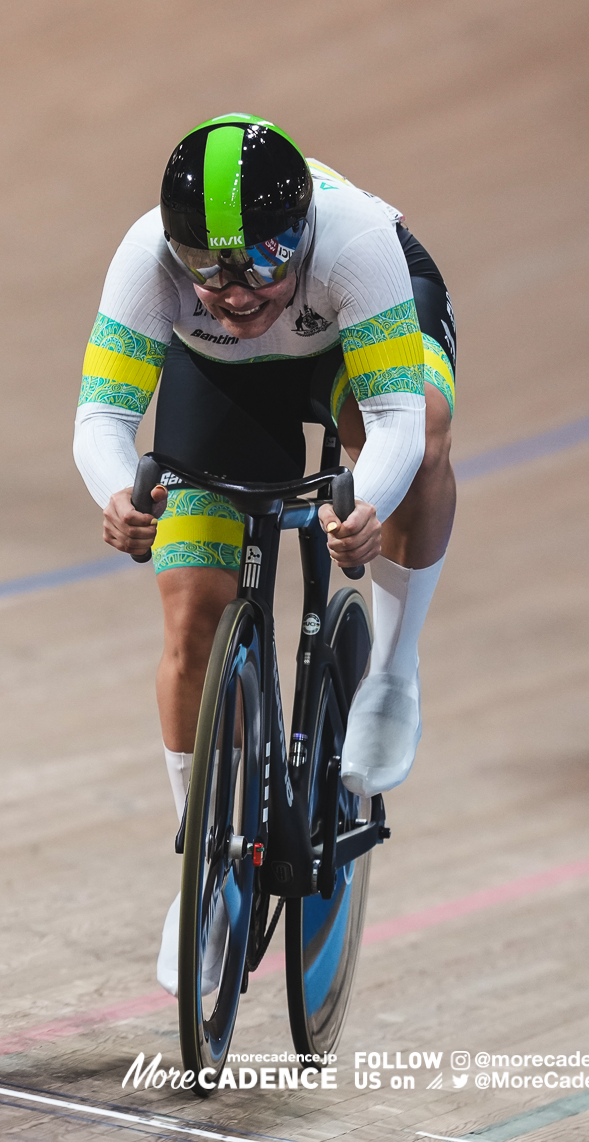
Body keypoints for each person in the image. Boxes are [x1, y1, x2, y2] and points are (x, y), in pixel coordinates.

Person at [73, 114, 456, 994]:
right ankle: (203, 867)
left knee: (429, 430)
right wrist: (120, 496)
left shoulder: (356, 243)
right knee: (191, 620)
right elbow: (101, 419)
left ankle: (393, 673)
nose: (237, 291)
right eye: (207, 268)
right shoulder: (146, 258)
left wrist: (366, 501)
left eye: (263, 261)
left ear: (304, 233)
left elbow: (398, 426)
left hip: (343, 348)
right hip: (223, 375)